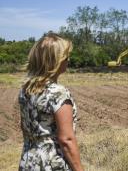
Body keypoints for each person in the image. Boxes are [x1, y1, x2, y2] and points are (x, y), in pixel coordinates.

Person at [18, 33, 84, 171]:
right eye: (65, 56)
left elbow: (25, 128)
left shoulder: (25, 90)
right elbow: (66, 140)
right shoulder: (57, 93)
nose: (68, 60)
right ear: (55, 61)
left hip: (29, 162)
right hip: (53, 164)